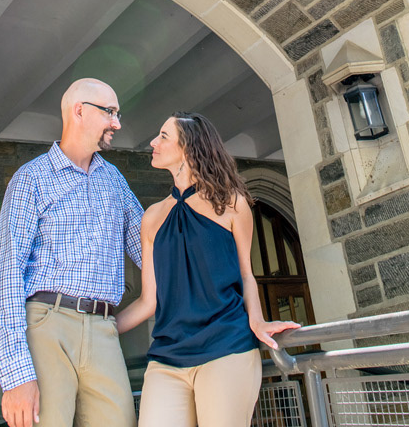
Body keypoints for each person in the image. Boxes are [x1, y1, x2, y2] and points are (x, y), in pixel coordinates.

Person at [115, 112, 299, 427]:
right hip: (166, 357)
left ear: (188, 149)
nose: (152, 143)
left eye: (163, 136)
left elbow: (246, 274)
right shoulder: (152, 217)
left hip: (226, 346)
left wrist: (257, 321)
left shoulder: (232, 203)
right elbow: (149, 300)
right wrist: (99, 329)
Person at [0, 77, 143, 427]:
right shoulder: (32, 178)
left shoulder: (115, 180)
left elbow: (150, 246)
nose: (117, 123)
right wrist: (16, 376)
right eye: (110, 112)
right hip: (46, 323)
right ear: (79, 111)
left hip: (105, 328)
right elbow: (6, 273)